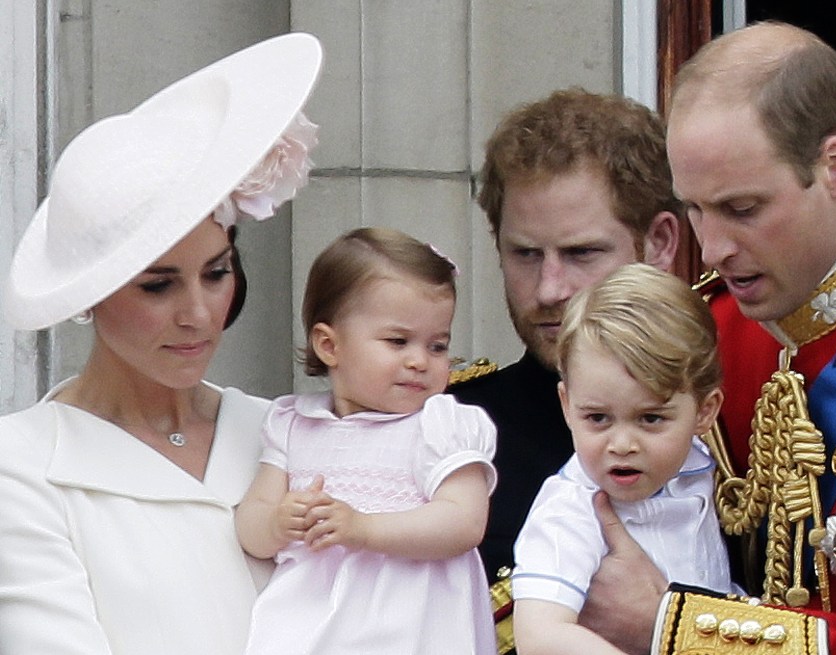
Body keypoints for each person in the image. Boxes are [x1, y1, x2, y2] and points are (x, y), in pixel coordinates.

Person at [602, 20, 836, 655]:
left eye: (742, 210)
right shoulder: (703, 326)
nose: (711, 247)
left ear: (835, 167)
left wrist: (675, 630)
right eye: (694, 209)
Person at [0, 33, 322, 654]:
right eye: (157, 286)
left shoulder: (286, 431)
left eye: (217, 272)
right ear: (86, 293)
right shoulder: (22, 466)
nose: (198, 315)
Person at [448, 89, 682, 647]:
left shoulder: (728, 427)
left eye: (581, 254)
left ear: (659, 242)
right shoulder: (448, 428)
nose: (551, 290)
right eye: (526, 254)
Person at [235, 227, 498, 654]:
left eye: (438, 345)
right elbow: (251, 524)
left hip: (417, 631)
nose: (419, 361)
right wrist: (277, 523)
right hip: (313, 628)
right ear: (329, 345)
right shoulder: (292, 423)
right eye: (398, 341)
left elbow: (464, 522)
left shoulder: (441, 424)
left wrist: (364, 528)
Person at [510, 263, 733, 655]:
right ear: (567, 405)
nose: (622, 444)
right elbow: (540, 636)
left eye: (650, 418)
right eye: (598, 418)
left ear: (704, 411)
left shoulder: (701, 467)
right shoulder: (571, 511)